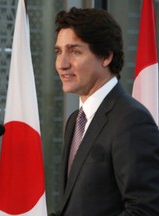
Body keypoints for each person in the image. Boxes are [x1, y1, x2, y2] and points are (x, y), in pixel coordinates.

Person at [54, 7, 159, 216]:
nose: (62, 64)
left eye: (75, 51)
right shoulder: (75, 120)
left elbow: (145, 210)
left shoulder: (131, 120)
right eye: (58, 52)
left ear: (106, 57)